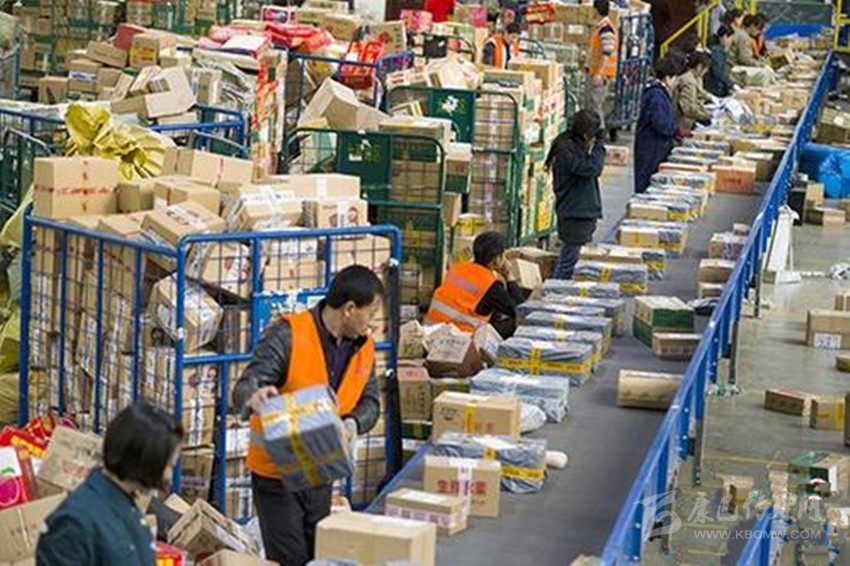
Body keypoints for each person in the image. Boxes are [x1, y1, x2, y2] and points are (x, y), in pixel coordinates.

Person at [233, 265, 383, 566]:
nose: (374, 322)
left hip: (320, 470)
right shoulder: (289, 334)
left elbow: (371, 402)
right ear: (349, 309)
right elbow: (246, 386)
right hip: (276, 473)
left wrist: (353, 423)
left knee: (319, 555)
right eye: (372, 313)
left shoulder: (364, 348)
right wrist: (254, 397)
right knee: (290, 558)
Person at [36, 404, 184, 566]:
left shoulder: (125, 509)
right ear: (146, 460)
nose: (169, 476)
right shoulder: (74, 523)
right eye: (169, 465)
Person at [425, 231, 525, 338]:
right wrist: (509, 276)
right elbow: (521, 311)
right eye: (503, 255)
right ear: (496, 260)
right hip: (460, 337)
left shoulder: (457, 268)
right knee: (517, 322)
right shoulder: (489, 285)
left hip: (431, 329)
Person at [545, 109, 606, 280]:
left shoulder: (571, 146)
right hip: (575, 214)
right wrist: (599, 145)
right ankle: (556, 291)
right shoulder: (567, 150)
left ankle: (558, 289)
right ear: (586, 134)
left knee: (571, 260)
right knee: (568, 263)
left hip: (578, 213)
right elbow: (593, 168)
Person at [634, 56, 680, 194]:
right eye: (675, 78)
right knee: (647, 184)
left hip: (654, 145)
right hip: (652, 147)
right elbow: (660, 123)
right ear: (667, 77)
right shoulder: (656, 95)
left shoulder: (658, 93)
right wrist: (674, 130)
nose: (676, 82)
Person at [585, 0, 618, 133]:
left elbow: (606, 52)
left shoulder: (606, 28)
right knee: (593, 106)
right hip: (596, 72)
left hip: (601, 75)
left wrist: (599, 73)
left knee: (596, 107)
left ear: (595, 10)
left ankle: (599, 134)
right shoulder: (601, 27)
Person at [673, 50, 714, 130]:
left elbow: (700, 94)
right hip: (682, 124)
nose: (707, 71)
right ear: (699, 66)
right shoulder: (689, 81)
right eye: (706, 68)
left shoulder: (696, 78)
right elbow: (689, 109)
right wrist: (709, 115)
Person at [705, 24, 736, 97]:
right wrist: (731, 85)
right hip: (718, 90)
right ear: (725, 37)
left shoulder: (716, 49)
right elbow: (719, 73)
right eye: (730, 39)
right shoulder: (716, 51)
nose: (731, 42)